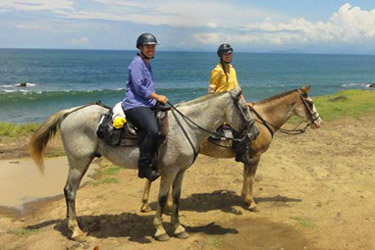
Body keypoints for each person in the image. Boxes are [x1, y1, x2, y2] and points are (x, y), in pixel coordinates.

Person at [122, 33, 168, 182]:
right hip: (135, 104)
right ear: (140, 47)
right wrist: (157, 97)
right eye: (147, 47)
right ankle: (144, 167)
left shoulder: (146, 63)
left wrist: (156, 100)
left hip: (147, 103)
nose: (151, 49)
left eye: (153, 47)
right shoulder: (137, 63)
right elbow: (139, 88)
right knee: (152, 130)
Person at [208, 43, 258, 164]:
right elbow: (211, 92)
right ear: (221, 56)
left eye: (230, 53)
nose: (228, 56)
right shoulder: (217, 71)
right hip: (220, 104)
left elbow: (236, 88)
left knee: (247, 120)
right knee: (238, 124)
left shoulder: (232, 69)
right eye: (225, 54)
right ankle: (240, 154)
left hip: (233, 102)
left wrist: (245, 102)